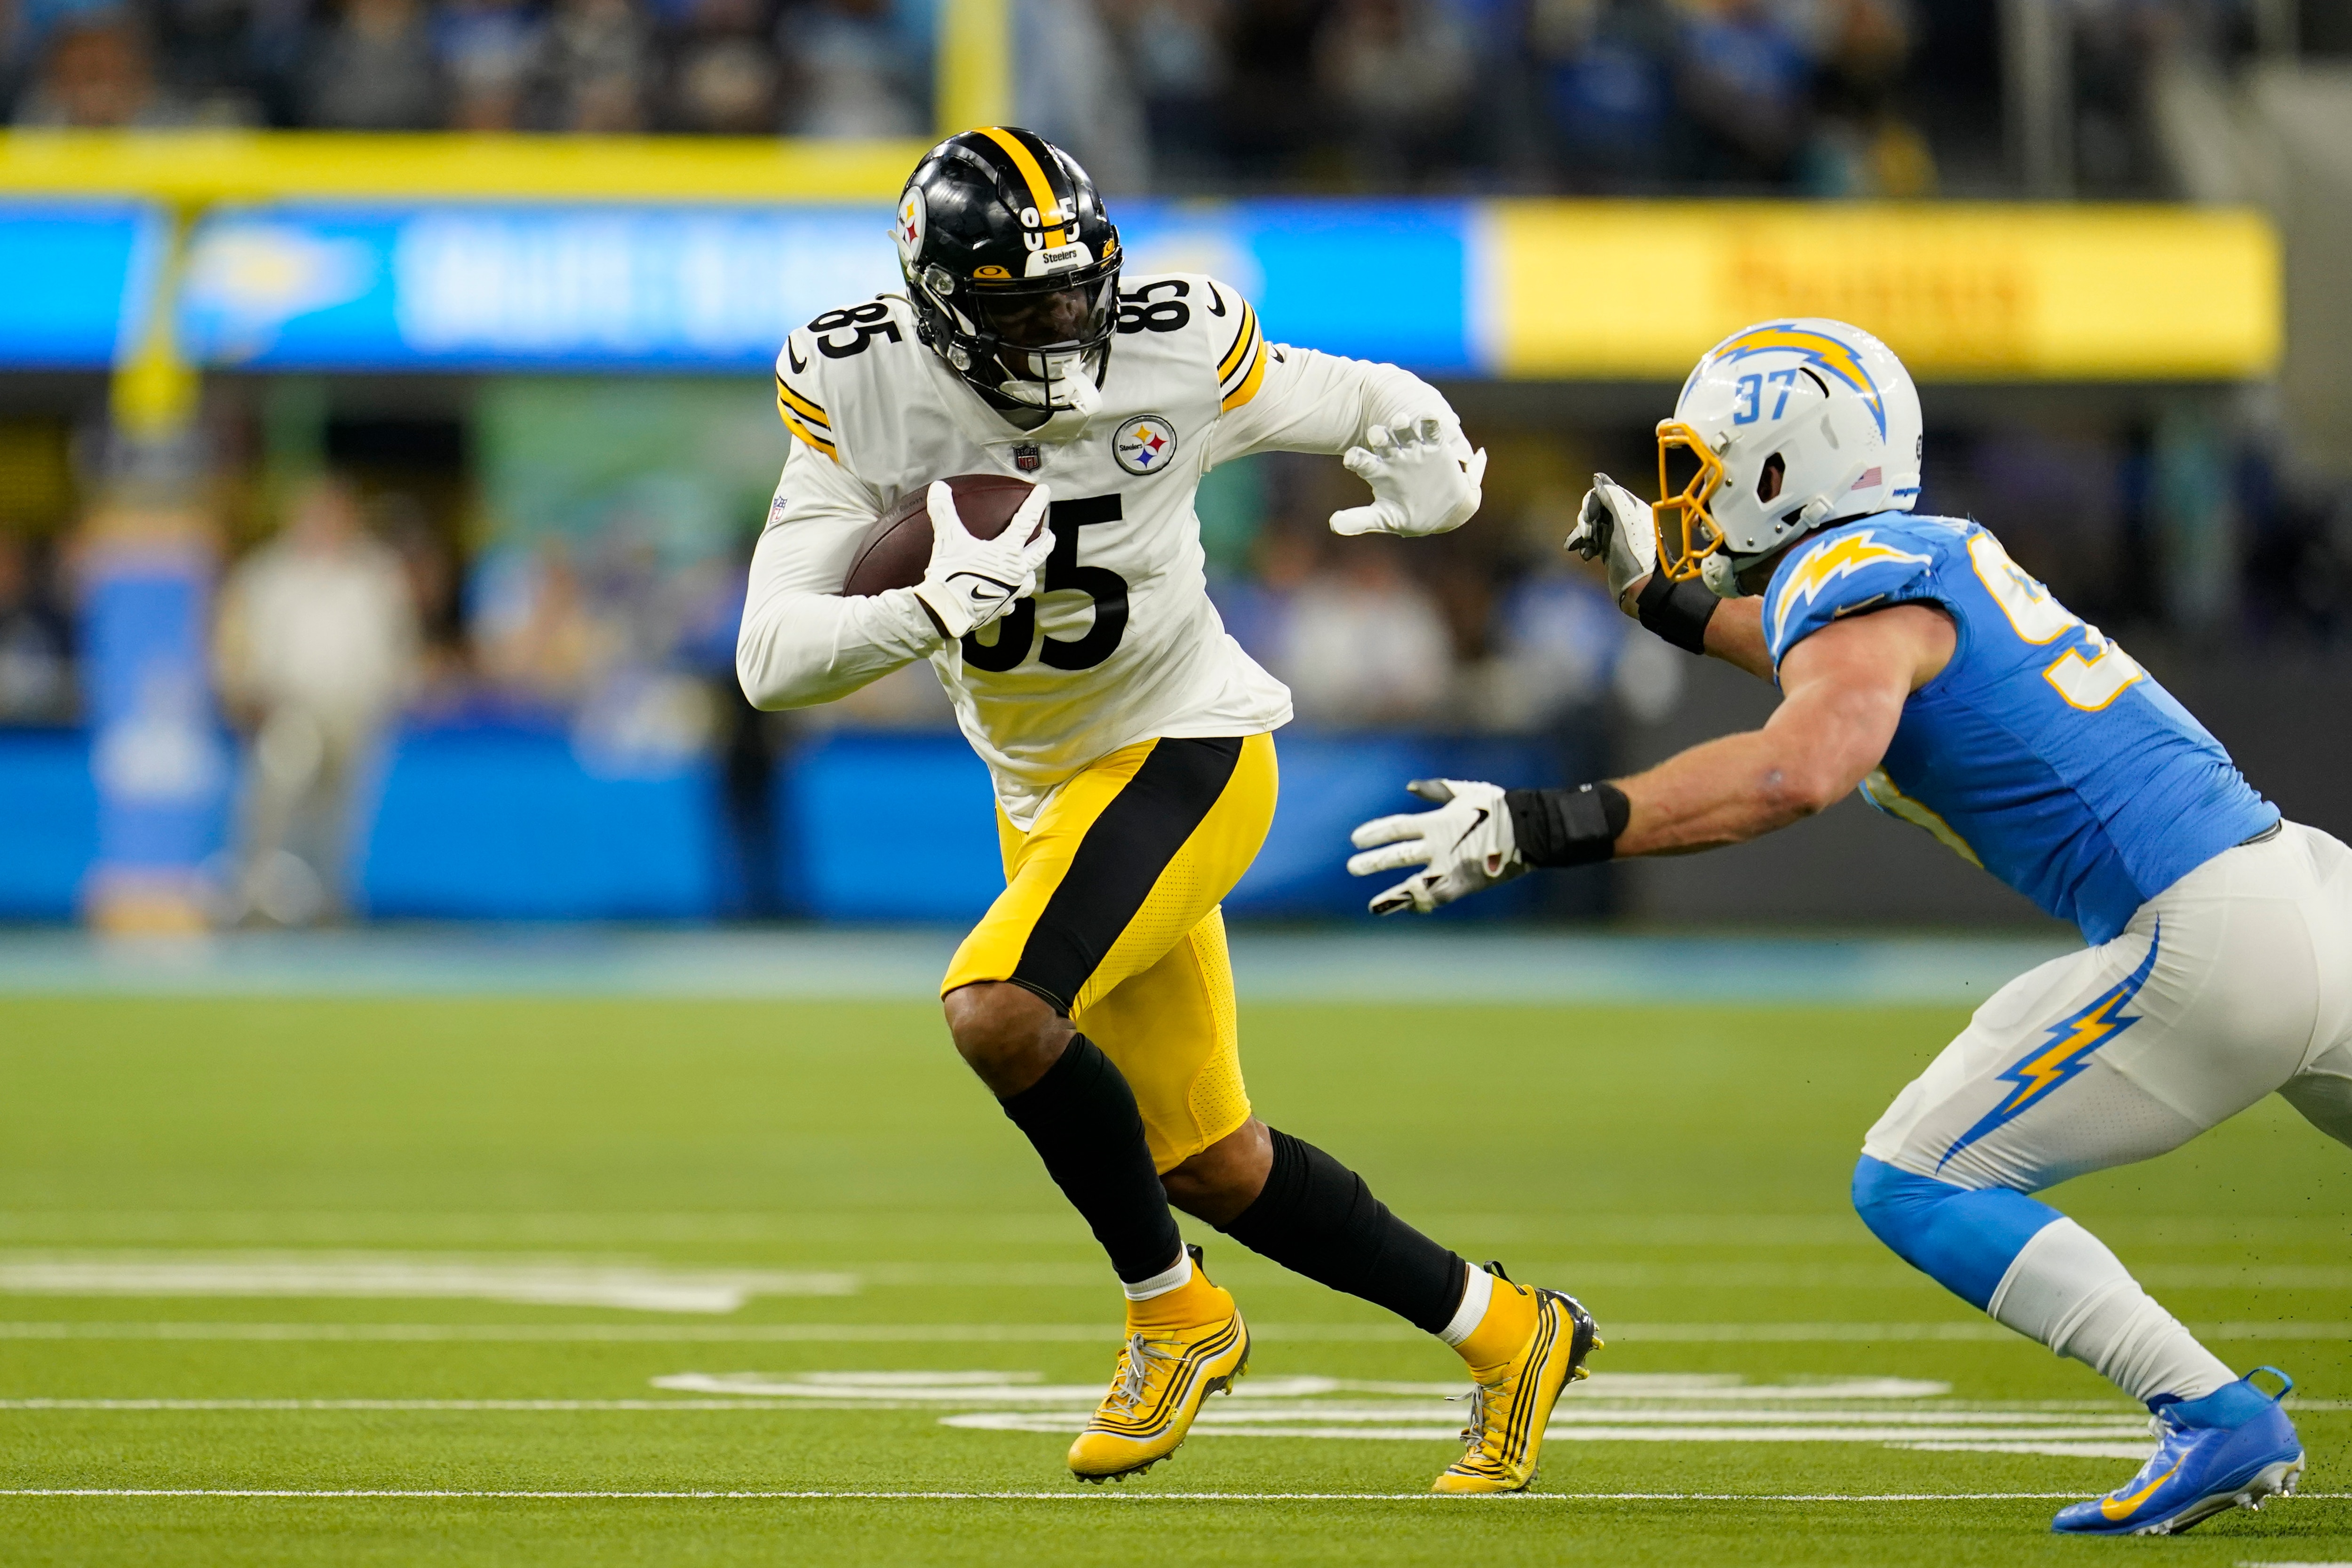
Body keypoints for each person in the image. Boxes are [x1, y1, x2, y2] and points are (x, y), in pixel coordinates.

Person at [1345, 317, 2339, 1537]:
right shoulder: (1920, 556)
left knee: (1917, 1174)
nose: (1694, 492)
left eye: (1711, 465)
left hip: (2207, 932)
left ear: (1783, 468)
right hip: (2303, 887)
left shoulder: (1852, 576)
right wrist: (1661, 598)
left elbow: (1794, 772)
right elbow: (1817, 659)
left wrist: (1537, 824)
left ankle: (2210, 1408)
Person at [736, 127, 1597, 1491]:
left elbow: (1361, 395)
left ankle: (1175, 1313)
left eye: (1078, 291)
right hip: (1046, 790)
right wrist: (920, 610)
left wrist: (1426, 453)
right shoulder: (863, 381)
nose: (1064, 324)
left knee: (999, 1006)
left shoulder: (1180, 340)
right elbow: (770, 658)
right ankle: (1512, 1330)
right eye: (1024, 306)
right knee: (1208, 1157)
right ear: (942, 306)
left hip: (1188, 745)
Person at [215, 473, 421, 923]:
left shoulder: (376, 572)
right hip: (289, 706)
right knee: (276, 795)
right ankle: (253, 894)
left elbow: (397, 644)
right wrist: (245, 694)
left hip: (355, 709)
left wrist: (391, 695)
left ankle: (331, 901)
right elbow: (237, 643)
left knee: (342, 813)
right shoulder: (268, 573)